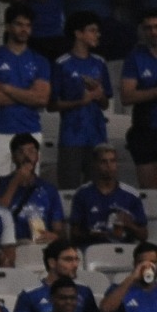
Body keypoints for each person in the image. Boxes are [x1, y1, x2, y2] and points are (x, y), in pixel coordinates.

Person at [0, 4, 54, 175]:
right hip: (0, 133)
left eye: (28, 25)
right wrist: (28, 94)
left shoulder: (40, 61)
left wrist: (7, 88)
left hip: (31, 133)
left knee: (27, 186)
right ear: (8, 26)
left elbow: (42, 99)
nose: (24, 29)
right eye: (19, 24)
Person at [51, 11, 112, 191]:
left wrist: (98, 95)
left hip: (97, 135)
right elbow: (51, 104)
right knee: (69, 190)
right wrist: (80, 101)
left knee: (97, 189)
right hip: (71, 137)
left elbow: (105, 103)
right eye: (92, 30)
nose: (97, 34)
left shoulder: (100, 63)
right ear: (78, 33)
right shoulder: (62, 63)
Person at [69, 143, 148, 246]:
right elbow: (73, 234)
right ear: (95, 164)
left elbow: (144, 236)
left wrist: (130, 225)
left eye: (112, 161)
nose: (109, 166)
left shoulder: (132, 195)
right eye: (103, 162)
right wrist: (91, 235)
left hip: (123, 249)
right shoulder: (82, 194)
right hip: (92, 250)